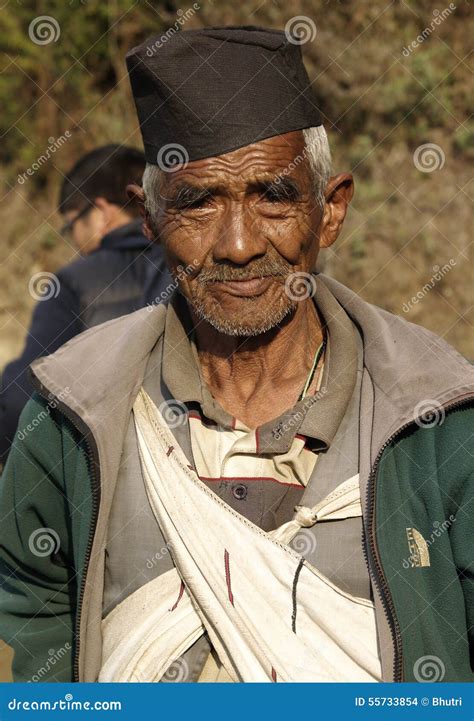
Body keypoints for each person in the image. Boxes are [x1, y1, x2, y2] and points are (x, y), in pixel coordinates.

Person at [0, 26, 472, 683]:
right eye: (198, 204)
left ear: (331, 210)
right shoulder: (76, 412)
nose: (241, 245)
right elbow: (36, 606)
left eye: (273, 197)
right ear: (149, 217)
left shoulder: (440, 420)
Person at [0, 144, 172, 467]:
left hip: (99, 478)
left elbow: (21, 401)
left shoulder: (72, 283)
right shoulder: (189, 268)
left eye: (71, 224)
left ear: (102, 211)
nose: (74, 239)